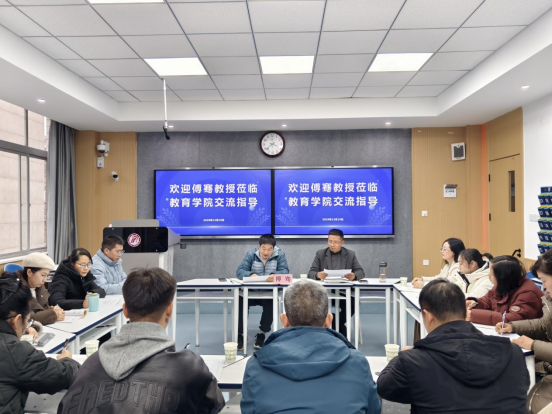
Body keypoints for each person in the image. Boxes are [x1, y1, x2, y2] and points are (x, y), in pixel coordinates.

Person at [58, 267, 225, 414]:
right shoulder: (189, 366)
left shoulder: (89, 365)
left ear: (125, 310)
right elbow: (213, 405)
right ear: (169, 309)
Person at [377, 279, 529, 413]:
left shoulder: (414, 361)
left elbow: (385, 388)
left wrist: (401, 356)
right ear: (464, 311)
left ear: (428, 316)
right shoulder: (513, 353)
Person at [241, 279, 381, 414]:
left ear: (284, 321)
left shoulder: (256, 366)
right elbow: (373, 410)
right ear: (329, 321)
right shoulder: (357, 362)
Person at [0, 276, 80, 414]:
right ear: (17, 320)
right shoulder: (13, 350)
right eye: (28, 320)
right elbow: (60, 376)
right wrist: (67, 360)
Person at [496, 250, 552, 414]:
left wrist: (533, 345)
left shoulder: (527, 291)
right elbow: (545, 325)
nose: (543, 287)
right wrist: (514, 327)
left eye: (544, 280)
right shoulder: (549, 298)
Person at [307, 229, 364, 337]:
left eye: (335, 242)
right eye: (330, 241)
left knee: (353, 304)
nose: (332, 245)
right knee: (312, 303)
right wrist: (318, 275)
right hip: (325, 293)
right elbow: (311, 273)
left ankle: (334, 323)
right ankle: (340, 330)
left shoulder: (350, 254)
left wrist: (354, 276)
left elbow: (361, 272)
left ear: (342, 242)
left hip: (344, 292)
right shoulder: (320, 253)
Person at [236, 234, 289, 350]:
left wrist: (274, 276)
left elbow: (285, 271)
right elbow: (240, 271)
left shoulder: (280, 255)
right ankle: (240, 334)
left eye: (269, 249)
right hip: (250, 292)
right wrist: (250, 275)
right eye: (263, 248)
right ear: (259, 246)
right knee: (239, 300)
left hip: (268, 292)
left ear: (274, 248)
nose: (266, 252)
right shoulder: (251, 254)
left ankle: (261, 333)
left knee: (272, 301)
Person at [467, 255, 543, 325]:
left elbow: (514, 319)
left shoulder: (528, 293)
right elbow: (487, 301)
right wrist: (474, 303)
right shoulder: (504, 284)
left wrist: (473, 315)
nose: (488, 275)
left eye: (492, 274)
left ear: (503, 277)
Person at [16, 252, 65, 325]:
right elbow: (28, 317)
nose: (45, 280)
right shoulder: (17, 289)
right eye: (43, 275)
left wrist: (52, 310)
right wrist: (53, 314)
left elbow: (43, 308)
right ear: (29, 272)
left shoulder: (38, 287)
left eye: (47, 276)